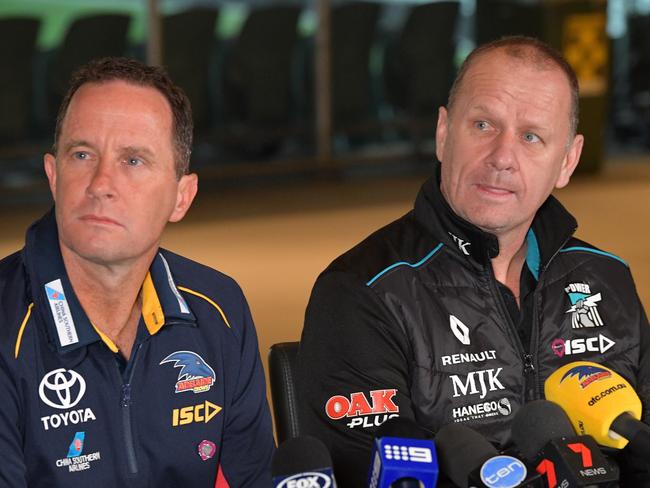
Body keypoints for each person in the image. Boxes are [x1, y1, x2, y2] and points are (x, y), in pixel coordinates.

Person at [296, 36, 650, 485]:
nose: (502, 157)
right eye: (483, 125)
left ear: (568, 161)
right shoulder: (361, 292)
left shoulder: (606, 278)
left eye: (531, 136)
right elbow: (375, 473)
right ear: (443, 134)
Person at [0, 58, 274, 487]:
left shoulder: (219, 309)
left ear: (181, 197)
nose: (101, 183)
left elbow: (252, 479)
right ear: (53, 176)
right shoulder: (5, 326)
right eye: (82, 154)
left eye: (133, 161)